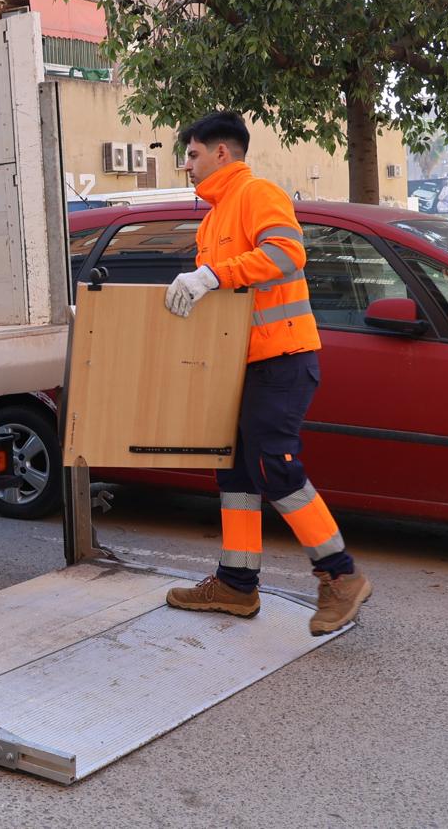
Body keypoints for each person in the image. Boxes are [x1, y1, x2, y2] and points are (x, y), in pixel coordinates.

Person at [161, 110, 372, 635]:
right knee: (234, 469)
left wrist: (213, 273)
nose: (187, 165)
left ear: (222, 154)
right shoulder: (213, 218)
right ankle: (236, 582)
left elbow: (285, 254)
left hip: (283, 359)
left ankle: (340, 575)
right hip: (246, 364)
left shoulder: (257, 195)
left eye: (192, 154)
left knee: (272, 465)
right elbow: (228, 295)